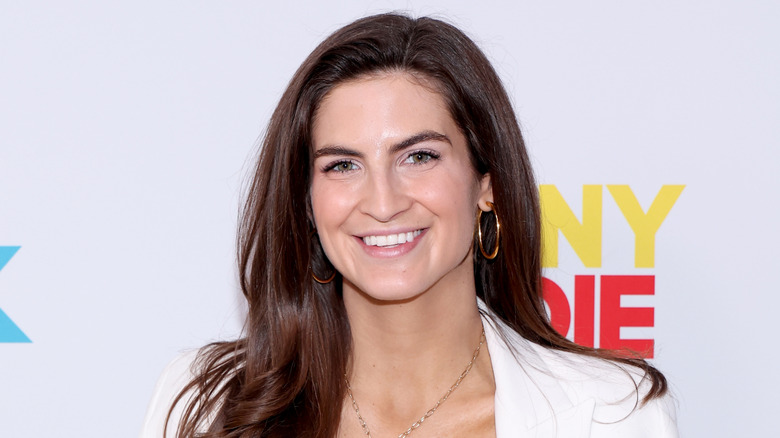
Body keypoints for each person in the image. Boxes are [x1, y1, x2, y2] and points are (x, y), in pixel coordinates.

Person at [141, 13, 677, 438]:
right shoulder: (203, 404)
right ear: (307, 203)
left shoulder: (608, 415)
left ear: (485, 184)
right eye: (342, 165)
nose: (382, 202)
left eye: (418, 157)